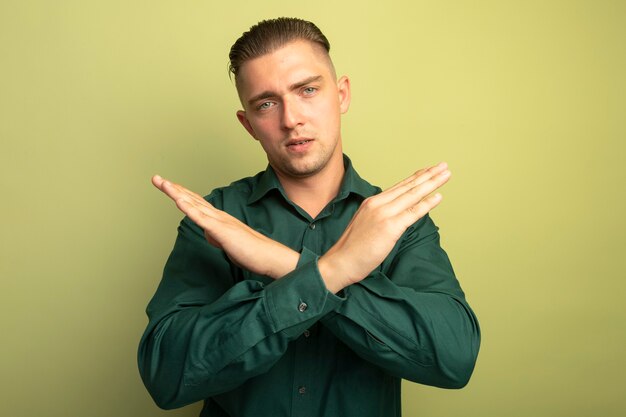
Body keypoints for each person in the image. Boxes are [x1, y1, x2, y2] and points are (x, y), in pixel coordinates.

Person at [138, 17, 480, 417]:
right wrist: (332, 273)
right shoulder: (217, 218)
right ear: (248, 124)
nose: (290, 119)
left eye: (307, 90)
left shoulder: (396, 220)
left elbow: (455, 358)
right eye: (266, 103)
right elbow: (166, 375)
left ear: (342, 95)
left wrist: (284, 266)